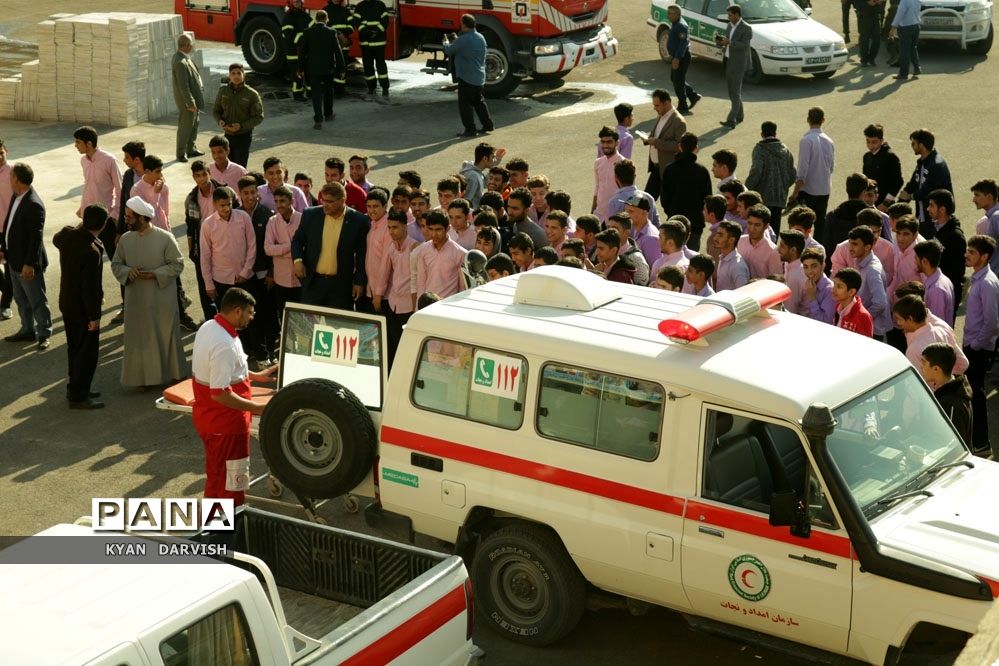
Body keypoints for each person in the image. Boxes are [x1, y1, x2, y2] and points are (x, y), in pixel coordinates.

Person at [192, 287, 277, 507]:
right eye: (250, 313)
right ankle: (228, 535)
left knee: (217, 479)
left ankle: (211, 532)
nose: (252, 317)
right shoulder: (224, 344)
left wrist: (255, 376)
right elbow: (220, 393)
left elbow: (221, 370)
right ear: (237, 311)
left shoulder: (210, 328)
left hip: (213, 422)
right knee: (232, 486)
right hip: (227, 427)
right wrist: (256, 407)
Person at [111, 196, 188, 387]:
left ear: (144, 218)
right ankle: (143, 379)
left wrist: (155, 274)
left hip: (161, 298)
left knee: (166, 334)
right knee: (141, 339)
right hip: (136, 299)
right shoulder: (125, 240)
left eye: (130, 217)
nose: (126, 220)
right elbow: (116, 264)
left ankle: (175, 374)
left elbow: (177, 264)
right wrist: (129, 272)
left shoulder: (165, 238)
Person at [53, 204, 106, 409]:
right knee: (86, 352)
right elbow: (89, 289)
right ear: (102, 225)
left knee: (74, 348)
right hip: (83, 310)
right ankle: (79, 394)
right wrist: (94, 317)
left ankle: (76, 386)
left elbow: (56, 238)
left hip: (67, 303)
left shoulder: (68, 235)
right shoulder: (91, 251)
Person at [293, 182, 370, 308]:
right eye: (323, 200)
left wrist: (359, 282)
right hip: (313, 283)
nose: (325, 205)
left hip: (341, 287)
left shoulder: (359, 221)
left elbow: (363, 254)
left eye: (330, 201)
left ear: (342, 200)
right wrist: (297, 260)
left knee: (337, 326)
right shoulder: (310, 215)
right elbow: (297, 240)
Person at [1, 163, 51, 349]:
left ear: (17, 179)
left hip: (26, 264)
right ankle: (27, 330)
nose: (9, 179)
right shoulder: (17, 196)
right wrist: (3, 248)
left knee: (37, 300)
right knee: (21, 299)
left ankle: (44, 333)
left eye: (11, 176)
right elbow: (10, 225)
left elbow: (35, 238)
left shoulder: (34, 204)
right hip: (13, 259)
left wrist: (29, 264)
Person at [961, 235, 999, 453]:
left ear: (984, 257)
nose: (967, 254)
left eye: (972, 252)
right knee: (973, 393)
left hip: (979, 349)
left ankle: (982, 443)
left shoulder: (987, 283)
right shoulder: (978, 278)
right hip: (973, 345)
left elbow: (993, 323)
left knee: (976, 395)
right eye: (968, 250)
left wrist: (974, 345)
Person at [374, 209, 419, 366]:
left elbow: (417, 280)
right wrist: (378, 295)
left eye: (395, 227)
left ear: (405, 227)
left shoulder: (415, 247)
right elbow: (383, 272)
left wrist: (416, 307)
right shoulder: (391, 247)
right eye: (389, 227)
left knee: (406, 348)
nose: (392, 231)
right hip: (393, 303)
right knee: (392, 345)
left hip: (409, 306)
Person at [443, 14, 494, 137]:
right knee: (479, 101)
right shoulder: (481, 37)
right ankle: (488, 125)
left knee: (465, 105)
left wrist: (445, 42)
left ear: (464, 24)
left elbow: (449, 50)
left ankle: (470, 129)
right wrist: (457, 40)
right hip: (479, 77)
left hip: (467, 78)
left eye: (461, 23)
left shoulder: (464, 39)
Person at [789, 107, 835, 240]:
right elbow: (831, 167)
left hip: (808, 190)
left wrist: (795, 192)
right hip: (824, 189)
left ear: (808, 120)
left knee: (802, 224)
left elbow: (802, 169)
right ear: (823, 120)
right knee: (820, 223)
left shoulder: (806, 140)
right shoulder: (829, 141)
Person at [184, 160, 222, 323]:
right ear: (193, 177)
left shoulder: (224, 192)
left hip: (222, 243)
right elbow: (190, 226)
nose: (201, 178)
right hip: (202, 246)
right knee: (204, 286)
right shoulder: (191, 198)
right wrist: (192, 250)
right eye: (197, 175)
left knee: (222, 283)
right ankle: (210, 321)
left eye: (204, 174)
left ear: (209, 173)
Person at [662, 133, 711, 250]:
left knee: (674, 256)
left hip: (675, 221)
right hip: (695, 223)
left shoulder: (669, 169)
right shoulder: (702, 171)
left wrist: (671, 212)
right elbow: (707, 198)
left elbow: (664, 197)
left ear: (680, 146)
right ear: (696, 148)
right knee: (692, 258)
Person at [745, 121, 796, 231]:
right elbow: (792, 174)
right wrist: (782, 187)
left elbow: (756, 172)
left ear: (762, 134)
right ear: (775, 133)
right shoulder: (786, 151)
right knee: (774, 231)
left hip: (762, 198)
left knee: (760, 231)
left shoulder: (759, 149)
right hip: (779, 199)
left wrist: (747, 189)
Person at [299, 10, 346, 130]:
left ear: (315, 19)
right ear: (326, 19)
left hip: (313, 69)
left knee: (316, 94)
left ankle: (318, 120)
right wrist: (342, 68)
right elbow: (338, 51)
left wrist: (301, 68)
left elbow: (302, 52)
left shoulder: (307, 32)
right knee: (328, 92)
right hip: (328, 68)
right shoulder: (331, 32)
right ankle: (328, 114)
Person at [920, 342, 973, 447]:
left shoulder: (952, 404)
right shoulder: (947, 390)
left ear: (936, 369)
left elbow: (954, 445)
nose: (921, 367)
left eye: (924, 362)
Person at [213, 63, 264, 168]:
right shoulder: (223, 92)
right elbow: (216, 111)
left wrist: (241, 126)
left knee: (239, 167)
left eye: (239, 73)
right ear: (229, 76)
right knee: (227, 166)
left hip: (244, 137)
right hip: (227, 137)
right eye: (233, 73)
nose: (236, 76)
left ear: (243, 75)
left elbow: (259, 117)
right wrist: (220, 121)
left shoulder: (252, 94)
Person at [898, 129, 952, 228]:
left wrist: (910, 196)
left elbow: (928, 191)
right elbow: (914, 182)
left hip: (935, 218)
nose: (912, 146)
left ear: (921, 145)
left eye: (914, 143)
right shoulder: (922, 162)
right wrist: (901, 200)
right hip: (924, 215)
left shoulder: (937, 165)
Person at [264, 186, 304, 320]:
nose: (279, 205)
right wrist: (293, 246)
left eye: (282, 201)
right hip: (281, 280)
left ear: (291, 201)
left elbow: (307, 249)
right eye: (276, 201)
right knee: (285, 318)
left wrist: (280, 251)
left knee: (303, 319)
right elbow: (268, 249)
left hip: (301, 280)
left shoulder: (303, 219)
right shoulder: (272, 221)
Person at [925, 189, 967, 312]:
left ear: (942, 209)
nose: (928, 209)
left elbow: (958, 272)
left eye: (932, 205)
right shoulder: (934, 228)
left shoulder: (956, 237)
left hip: (945, 292)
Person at [643, 89, 686, 200]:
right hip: (657, 168)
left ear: (666, 103)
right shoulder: (661, 115)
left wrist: (656, 142)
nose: (654, 108)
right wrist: (648, 138)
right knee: (645, 201)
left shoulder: (678, 121)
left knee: (669, 203)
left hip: (668, 171)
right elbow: (657, 134)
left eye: (657, 105)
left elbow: (679, 146)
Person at [417, 210, 468, 297]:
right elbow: (421, 282)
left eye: (438, 229)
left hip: (448, 305)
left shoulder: (460, 253)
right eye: (430, 229)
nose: (434, 234)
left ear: (448, 228)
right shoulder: (424, 250)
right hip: (428, 306)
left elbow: (462, 287)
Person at [172, 33, 205, 163]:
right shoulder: (180, 62)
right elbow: (183, 86)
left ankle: (191, 149)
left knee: (194, 124)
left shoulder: (184, 57)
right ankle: (181, 153)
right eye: (190, 44)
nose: (192, 46)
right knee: (185, 127)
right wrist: (190, 103)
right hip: (188, 102)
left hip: (193, 99)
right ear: (185, 46)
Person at [718, 4, 752, 130]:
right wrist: (720, 42)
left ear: (737, 14)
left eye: (730, 15)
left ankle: (731, 120)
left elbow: (744, 45)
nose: (729, 17)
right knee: (732, 91)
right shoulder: (729, 25)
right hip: (728, 61)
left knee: (735, 92)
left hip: (738, 64)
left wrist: (730, 42)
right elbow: (726, 41)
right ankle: (740, 115)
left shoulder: (746, 28)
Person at [664, 6, 701, 114]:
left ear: (677, 14)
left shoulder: (681, 25)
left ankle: (683, 105)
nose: (668, 15)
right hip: (677, 56)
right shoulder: (676, 23)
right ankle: (693, 95)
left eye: (670, 13)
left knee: (678, 82)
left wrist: (677, 58)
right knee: (675, 78)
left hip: (682, 57)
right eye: (668, 13)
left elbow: (683, 43)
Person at [353, 0, 390, 96]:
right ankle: (371, 87)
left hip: (378, 43)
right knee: (368, 66)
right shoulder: (359, 6)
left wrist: (375, 32)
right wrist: (368, 33)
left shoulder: (380, 5)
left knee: (381, 66)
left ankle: (385, 88)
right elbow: (357, 22)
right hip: (366, 43)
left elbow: (385, 21)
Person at [914, 239, 955, 326]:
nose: (914, 262)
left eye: (916, 258)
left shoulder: (936, 290)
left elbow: (936, 325)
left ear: (924, 261)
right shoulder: (942, 279)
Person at [862, 125, 902, 209]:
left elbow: (898, 182)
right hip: (870, 203)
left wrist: (885, 204)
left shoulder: (891, 157)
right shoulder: (866, 156)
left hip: (885, 205)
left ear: (881, 141)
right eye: (868, 141)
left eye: (874, 142)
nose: (870, 145)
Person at [738, 205, 782, 280]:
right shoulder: (740, 241)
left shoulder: (773, 252)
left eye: (757, 225)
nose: (752, 229)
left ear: (766, 226)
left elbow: (775, 282)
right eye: (749, 223)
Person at [282, 0, 314, 100]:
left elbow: (313, 27)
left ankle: (310, 92)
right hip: (293, 50)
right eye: (296, 2)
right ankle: (297, 94)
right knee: (297, 73)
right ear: (292, 3)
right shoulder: (288, 16)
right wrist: (302, 40)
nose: (297, 4)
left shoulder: (304, 15)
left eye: (299, 2)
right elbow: (288, 34)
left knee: (308, 71)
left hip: (304, 50)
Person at [593, 126, 623, 222]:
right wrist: (592, 211)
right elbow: (597, 188)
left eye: (609, 142)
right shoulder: (598, 162)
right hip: (599, 215)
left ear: (617, 143)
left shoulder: (623, 163)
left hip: (616, 216)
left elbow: (629, 191)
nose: (605, 145)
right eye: (603, 142)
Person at [325, 0, 355, 96]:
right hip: (331, 45)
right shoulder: (325, 11)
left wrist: (344, 34)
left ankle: (340, 89)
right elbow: (323, 27)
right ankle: (331, 89)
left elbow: (352, 26)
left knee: (342, 67)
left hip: (343, 45)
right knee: (330, 67)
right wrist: (337, 34)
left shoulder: (345, 11)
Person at [832, 268, 873, 337]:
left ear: (851, 292)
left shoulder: (863, 316)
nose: (833, 289)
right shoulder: (838, 307)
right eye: (834, 284)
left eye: (839, 286)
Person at [801, 247, 836, 324]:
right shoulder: (807, 283)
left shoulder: (830, 290)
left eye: (814, 266)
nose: (809, 272)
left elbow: (825, 322)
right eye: (806, 267)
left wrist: (812, 299)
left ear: (823, 265)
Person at [713, 220, 750, 290]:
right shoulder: (722, 258)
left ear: (731, 240)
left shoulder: (737, 267)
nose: (715, 238)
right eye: (717, 234)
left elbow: (743, 293)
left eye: (720, 235)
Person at [889, 0, 921, 81]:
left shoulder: (904, 1)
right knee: (913, 48)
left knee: (904, 52)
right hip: (916, 26)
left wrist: (893, 28)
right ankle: (917, 68)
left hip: (906, 27)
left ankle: (903, 74)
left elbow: (899, 14)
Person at [0, 139, 12, 320]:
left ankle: (6, 304)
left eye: (1, 153)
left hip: (9, 228)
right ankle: (11, 290)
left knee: (10, 267)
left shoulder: (14, 173)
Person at [855, 0, 885, 66]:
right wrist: (866, 2)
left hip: (875, 16)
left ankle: (872, 58)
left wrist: (880, 1)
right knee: (864, 39)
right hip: (864, 16)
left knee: (877, 39)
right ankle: (864, 59)